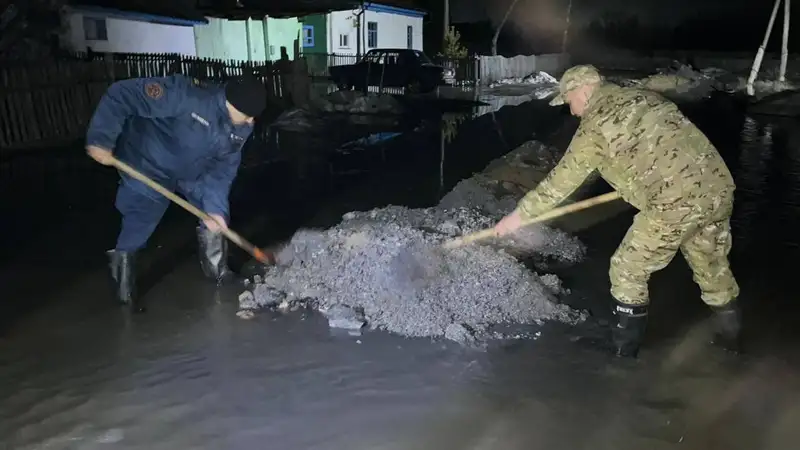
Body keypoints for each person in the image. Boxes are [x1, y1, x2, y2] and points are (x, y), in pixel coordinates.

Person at [494, 65, 741, 357]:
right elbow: (655, 150)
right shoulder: (642, 97)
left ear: (585, 91)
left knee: (627, 269)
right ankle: (733, 343)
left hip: (675, 201)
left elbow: (560, 183)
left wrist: (519, 216)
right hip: (717, 188)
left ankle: (623, 357)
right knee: (711, 266)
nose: (572, 112)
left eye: (570, 101)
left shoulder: (596, 124)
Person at [85, 74, 267, 312]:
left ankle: (217, 270)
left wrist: (214, 209)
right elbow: (122, 94)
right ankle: (124, 285)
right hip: (149, 164)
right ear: (231, 104)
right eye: (247, 115)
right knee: (142, 218)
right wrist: (101, 139)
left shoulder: (242, 125)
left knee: (216, 216)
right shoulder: (186, 95)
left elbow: (222, 171)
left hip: (195, 172)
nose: (251, 121)